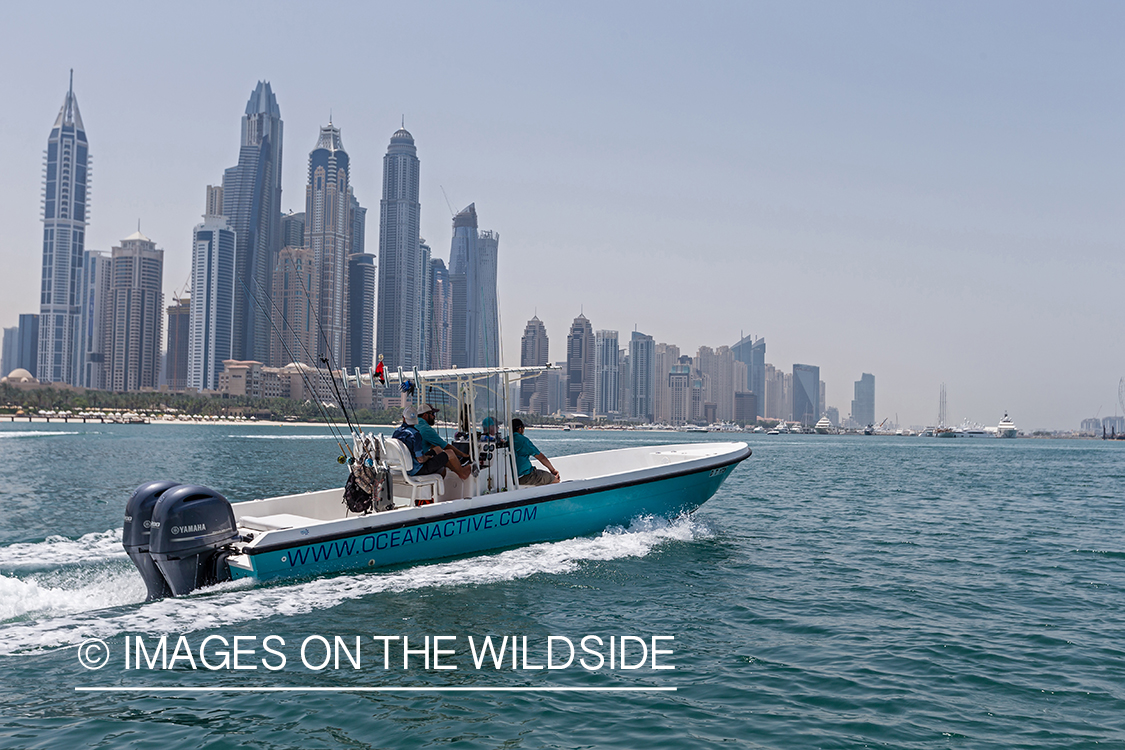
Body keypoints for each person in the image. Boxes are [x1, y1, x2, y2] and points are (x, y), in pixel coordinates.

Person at [415, 403, 473, 481]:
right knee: (450, 453)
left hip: (410, 463)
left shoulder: (414, 424)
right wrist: (463, 454)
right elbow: (445, 446)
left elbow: (434, 446)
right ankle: (462, 473)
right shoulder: (426, 429)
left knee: (438, 449)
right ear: (425, 415)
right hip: (418, 466)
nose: (434, 416)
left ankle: (456, 471)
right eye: (433, 414)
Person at [392, 405, 449, 478]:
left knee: (437, 450)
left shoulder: (397, 432)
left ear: (403, 418)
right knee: (446, 455)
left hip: (402, 468)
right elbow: (421, 459)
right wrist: (428, 457)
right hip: (416, 470)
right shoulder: (415, 434)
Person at [511, 418, 560, 486]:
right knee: (555, 480)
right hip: (525, 476)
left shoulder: (507, 440)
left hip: (511, 477)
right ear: (520, 429)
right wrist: (553, 470)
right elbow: (541, 457)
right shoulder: (523, 441)